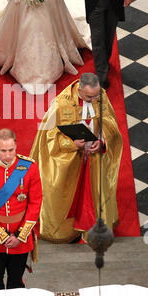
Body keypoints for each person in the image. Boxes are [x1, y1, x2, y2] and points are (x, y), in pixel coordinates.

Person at [30, 73, 122, 243]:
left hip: (94, 157)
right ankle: (65, 230)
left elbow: (110, 124)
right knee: (69, 195)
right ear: (79, 91)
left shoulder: (100, 96)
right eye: (89, 97)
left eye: (96, 96)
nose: (94, 100)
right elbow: (49, 137)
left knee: (93, 192)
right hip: (70, 159)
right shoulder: (61, 104)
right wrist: (72, 145)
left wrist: (102, 142)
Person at [0, 128, 42, 290]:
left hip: (20, 237)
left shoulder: (29, 167)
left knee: (16, 283)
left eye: (11, 150)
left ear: (16, 146)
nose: (7, 155)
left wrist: (21, 235)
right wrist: (1, 235)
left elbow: (35, 203)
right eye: (3, 150)